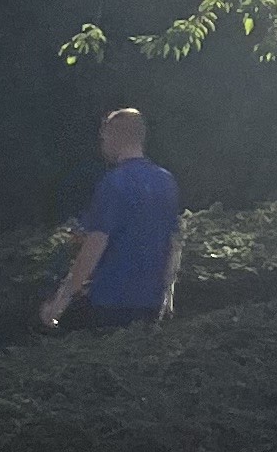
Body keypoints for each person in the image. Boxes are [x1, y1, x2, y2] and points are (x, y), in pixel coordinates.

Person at [38, 107, 183, 331]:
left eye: (104, 136)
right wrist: (168, 297)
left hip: (110, 303)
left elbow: (94, 246)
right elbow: (174, 244)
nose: (102, 143)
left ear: (116, 136)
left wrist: (58, 304)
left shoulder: (114, 183)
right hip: (151, 304)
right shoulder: (166, 181)